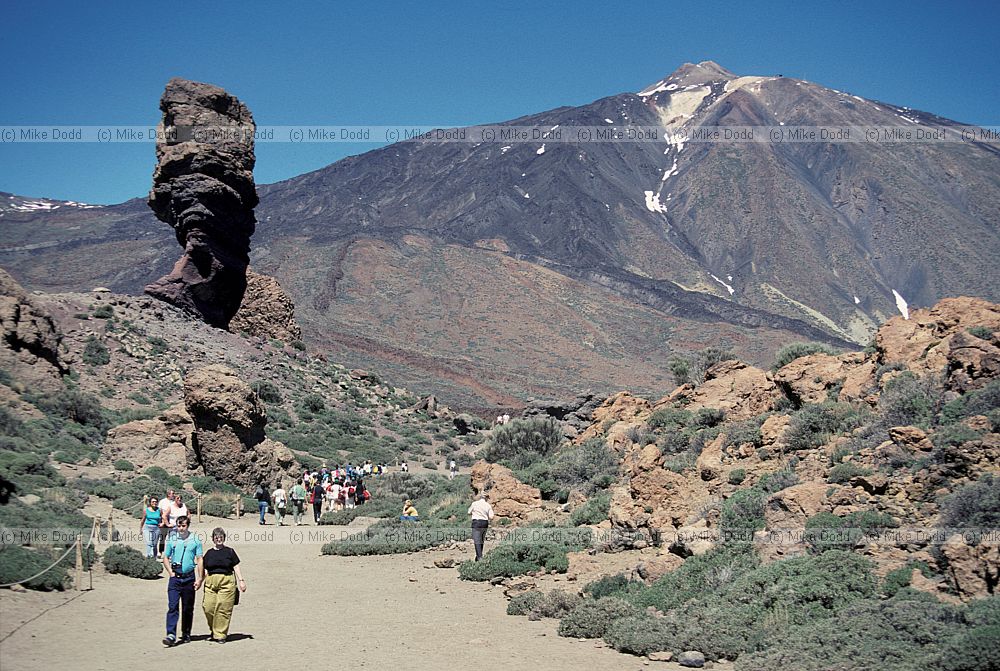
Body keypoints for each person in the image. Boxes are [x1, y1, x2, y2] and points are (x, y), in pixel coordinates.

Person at [162, 516, 203, 647]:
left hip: (189, 578)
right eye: (179, 526)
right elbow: (166, 557)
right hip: (175, 578)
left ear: (188, 526)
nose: (181, 528)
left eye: (183, 526)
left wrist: (200, 578)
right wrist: (171, 573)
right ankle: (171, 634)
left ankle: (186, 633)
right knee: (173, 606)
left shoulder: (195, 540)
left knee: (187, 608)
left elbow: (200, 559)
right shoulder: (172, 539)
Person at [201, 527, 246, 644]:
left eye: (221, 537)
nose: (219, 539)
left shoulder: (230, 552)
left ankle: (220, 635)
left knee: (223, 608)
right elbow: (204, 569)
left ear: (224, 538)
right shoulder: (209, 553)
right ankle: (214, 630)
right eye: (216, 537)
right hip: (211, 582)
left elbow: (236, 566)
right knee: (208, 607)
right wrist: (200, 581)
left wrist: (241, 580)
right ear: (213, 539)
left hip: (227, 581)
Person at [468, 492, 495, 561]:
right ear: (486, 498)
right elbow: (491, 517)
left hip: (476, 523)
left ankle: (480, 557)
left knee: (477, 540)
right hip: (484, 523)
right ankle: (478, 557)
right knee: (481, 540)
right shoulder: (488, 505)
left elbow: (469, 512)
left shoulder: (474, 503)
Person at [157, 489, 175, 557]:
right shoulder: (163, 501)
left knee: (172, 538)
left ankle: (170, 553)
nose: (173, 495)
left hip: (172, 520)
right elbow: (160, 510)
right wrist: (162, 520)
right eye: (172, 493)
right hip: (164, 520)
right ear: (168, 494)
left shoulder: (174, 502)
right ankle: (160, 551)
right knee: (162, 537)